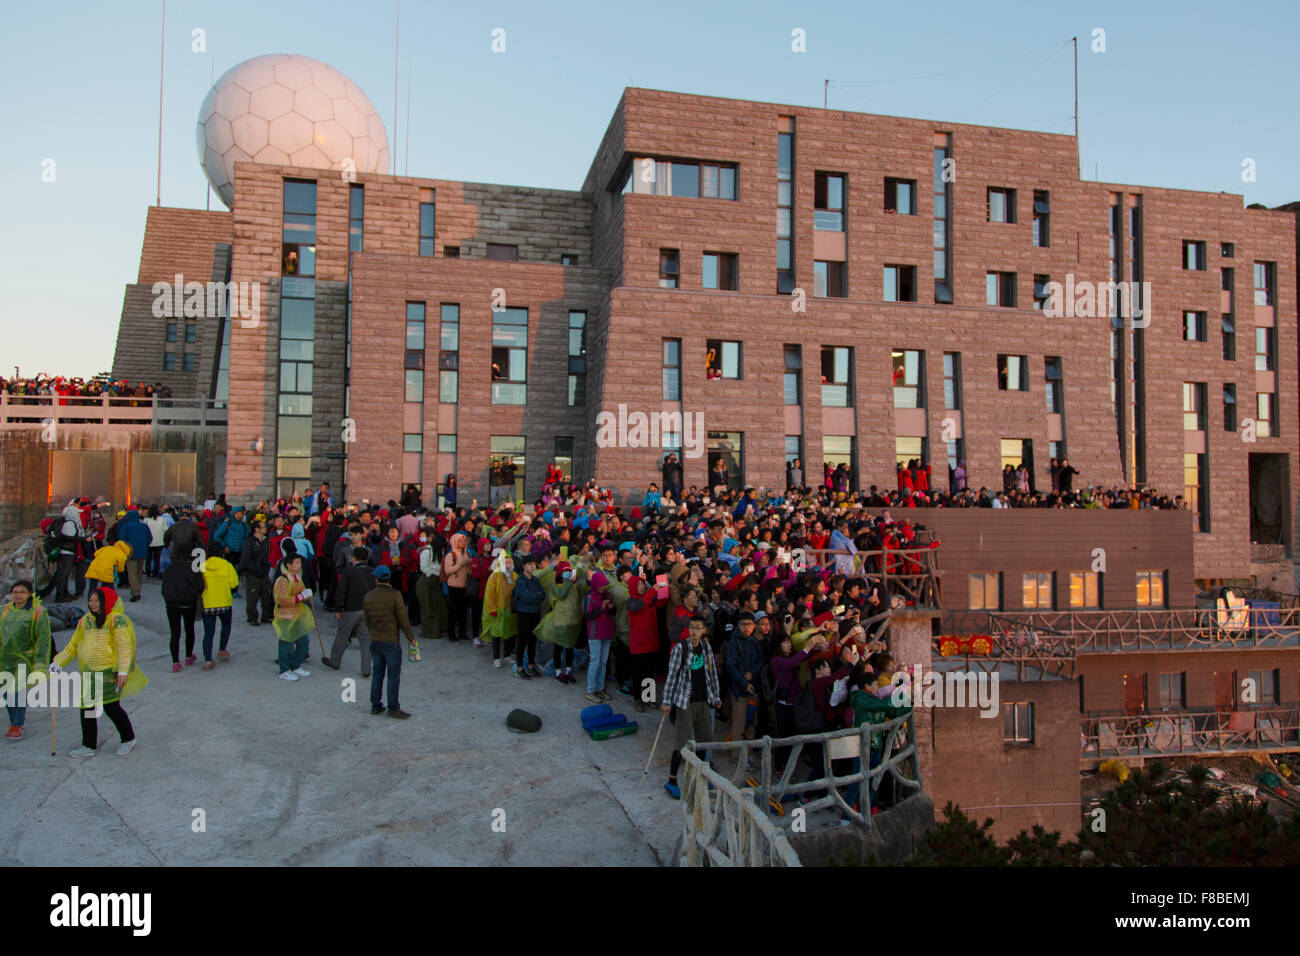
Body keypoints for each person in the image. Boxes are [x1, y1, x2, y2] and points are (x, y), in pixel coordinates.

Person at [51, 587, 148, 757]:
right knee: (87, 707)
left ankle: (128, 738)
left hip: (108, 672)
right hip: (89, 673)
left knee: (111, 707)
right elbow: (73, 645)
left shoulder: (116, 620)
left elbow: (124, 647)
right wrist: (59, 661)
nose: (92, 604)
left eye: (97, 600)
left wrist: (123, 671)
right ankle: (88, 745)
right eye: (91, 600)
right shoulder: (85, 621)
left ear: (106, 601)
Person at [662, 615, 722, 799]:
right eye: (692, 627)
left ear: (704, 630)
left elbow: (711, 674)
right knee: (683, 742)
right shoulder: (681, 648)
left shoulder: (706, 648)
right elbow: (672, 675)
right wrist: (666, 700)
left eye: (698, 627)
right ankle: (672, 780)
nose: (694, 631)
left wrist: (716, 696)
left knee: (704, 739)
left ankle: (700, 776)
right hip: (684, 701)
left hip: (703, 700)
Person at [1, 580, 52, 740]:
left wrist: (40, 663)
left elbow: (43, 639)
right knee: (6, 693)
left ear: (30, 594)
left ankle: (17, 724)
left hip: (25, 660)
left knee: (16, 692)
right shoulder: (4, 611)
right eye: (15, 592)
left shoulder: (38, 612)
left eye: (22, 592)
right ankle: (14, 720)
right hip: (4, 659)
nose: (18, 595)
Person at [362, 565, 415, 718]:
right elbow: (402, 618)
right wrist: (410, 637)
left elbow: (367, 619)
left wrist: (373, 632)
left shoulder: (368, 596)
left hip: (375, 640)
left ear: (376, 579)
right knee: (393, 676)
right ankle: (393, 707)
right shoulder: (395, 595)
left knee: (377, 674)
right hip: (391, 641)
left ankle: (375, 705)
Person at [323, 546, 376, 675]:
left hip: (350, 609)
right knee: (365, 639)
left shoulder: (349, 571)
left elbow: (341, 591)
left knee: (342, 636)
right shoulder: (373, 571)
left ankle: (335, 661)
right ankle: (366, 669)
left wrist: (338, 607)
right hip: (367, 609)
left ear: (353, 558)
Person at [272, 554, 315, 682]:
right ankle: (284, 669)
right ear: (288, 565)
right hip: (285, 616)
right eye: (296, 563)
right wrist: (298, 598)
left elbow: (301, 592)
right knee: (286, 644)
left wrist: (306, 594)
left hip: (297, 615)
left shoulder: (297, 578)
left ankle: (295, 665)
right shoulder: (282, 580)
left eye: (299, 563)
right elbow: (280, 598)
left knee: (303, 642)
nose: (299, 565)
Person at [725, 612, 766, 744]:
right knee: (739, 725)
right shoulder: (733, 643)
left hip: (753, 689)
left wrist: (752, 673)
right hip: (739, 691)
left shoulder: (754, 642)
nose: (746, 627)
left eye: (749, 624)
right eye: (743, 624)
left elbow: (761, 660)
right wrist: (744, 682)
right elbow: (731, 666)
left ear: (754, 626)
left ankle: (749, 754)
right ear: (738, 625)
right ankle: (737, 757)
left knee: (752, 724)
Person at [538, 559, 581, 683]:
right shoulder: (556, 586)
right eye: (564, 572)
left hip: (572, 619)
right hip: (560, 620)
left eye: (569, 572)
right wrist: (569, 582)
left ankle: (568, 670)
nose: (567, 574)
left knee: (570, 647)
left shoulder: (573, 585)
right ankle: (558, 672)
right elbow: (561, 594)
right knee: (559, 646)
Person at [199, 551, 239, 669]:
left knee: (208, 632)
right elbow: (234, 584)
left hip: (207, 603)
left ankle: (208, 660)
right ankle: (222, 650)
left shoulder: (202, 566)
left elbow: (198, 585)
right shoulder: (227, 565)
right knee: (226, 625)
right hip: (224, 602)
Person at [510, 553, 545, 678]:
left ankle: (531, 665)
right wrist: (536, 595)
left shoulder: (535, 579)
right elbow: (525, 597)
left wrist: (534, 595)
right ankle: (519, 668)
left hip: (535, 612)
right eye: (530, 565)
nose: (532, 567)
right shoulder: (520, 580)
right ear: (524, 566)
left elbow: (543, 595)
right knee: (522, 640)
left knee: (532, 640)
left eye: (534, 565)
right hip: (524, 613)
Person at [583, 569, 616, 703]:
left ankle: (600, 688)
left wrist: (611, 608)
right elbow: (587, 615)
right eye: (601, 586)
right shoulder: (588, 598)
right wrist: (601, 608)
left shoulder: (607, 596)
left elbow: (613, 612)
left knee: (603, 662)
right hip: (595, 633)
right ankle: (591, 690)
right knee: (595, 662)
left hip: (606, 632)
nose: (603, 588)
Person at [483, 549, 518, 669]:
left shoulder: (514, 576)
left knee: (511, 633)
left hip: (511, 610)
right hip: (498, 610)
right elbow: (490, 594)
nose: (508, 565)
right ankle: (497, 657)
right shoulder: (494, 577)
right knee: (497, 634)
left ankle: (507, 655)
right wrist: (492, 609)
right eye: (505, 563)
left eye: (509, 562)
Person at [239, 519, 273, 625]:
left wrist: (266, 566)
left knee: (266, 595)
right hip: (253, 573)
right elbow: (246, 559)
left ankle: (266, 616)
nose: (265, 529)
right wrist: (255, 570)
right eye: (263, 527)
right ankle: (252, 618)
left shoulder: (266, 541)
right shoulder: (249, 542)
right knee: (252, 596)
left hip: (264, 572)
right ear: (256, 529)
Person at [442, 532, 472, 643]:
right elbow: (447, 570)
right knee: (453, 611)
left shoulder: (467, 554)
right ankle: (452, 634)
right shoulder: (451, 555)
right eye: (460, 541)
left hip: (465, 585)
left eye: (463, 541)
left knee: (463, 611)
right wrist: (460, 564)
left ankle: (462, 633)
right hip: (454, 586)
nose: (462, 543)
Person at [117, 509, 151, 602]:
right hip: (143, 552)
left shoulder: (126, 526)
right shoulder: (144, 526)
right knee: (139, 572)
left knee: (132, 573)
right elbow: (150, 538)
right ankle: (138, 589)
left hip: (131, 553)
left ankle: (135, 593)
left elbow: (121, 539)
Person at [144, 504, 168, 578]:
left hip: (149, 543)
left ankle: (148, 573)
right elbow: (166, 530)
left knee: (148, 559)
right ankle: (155, 573)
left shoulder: (146, 520)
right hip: (159, 543)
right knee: (156, 559)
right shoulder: (161, 519)